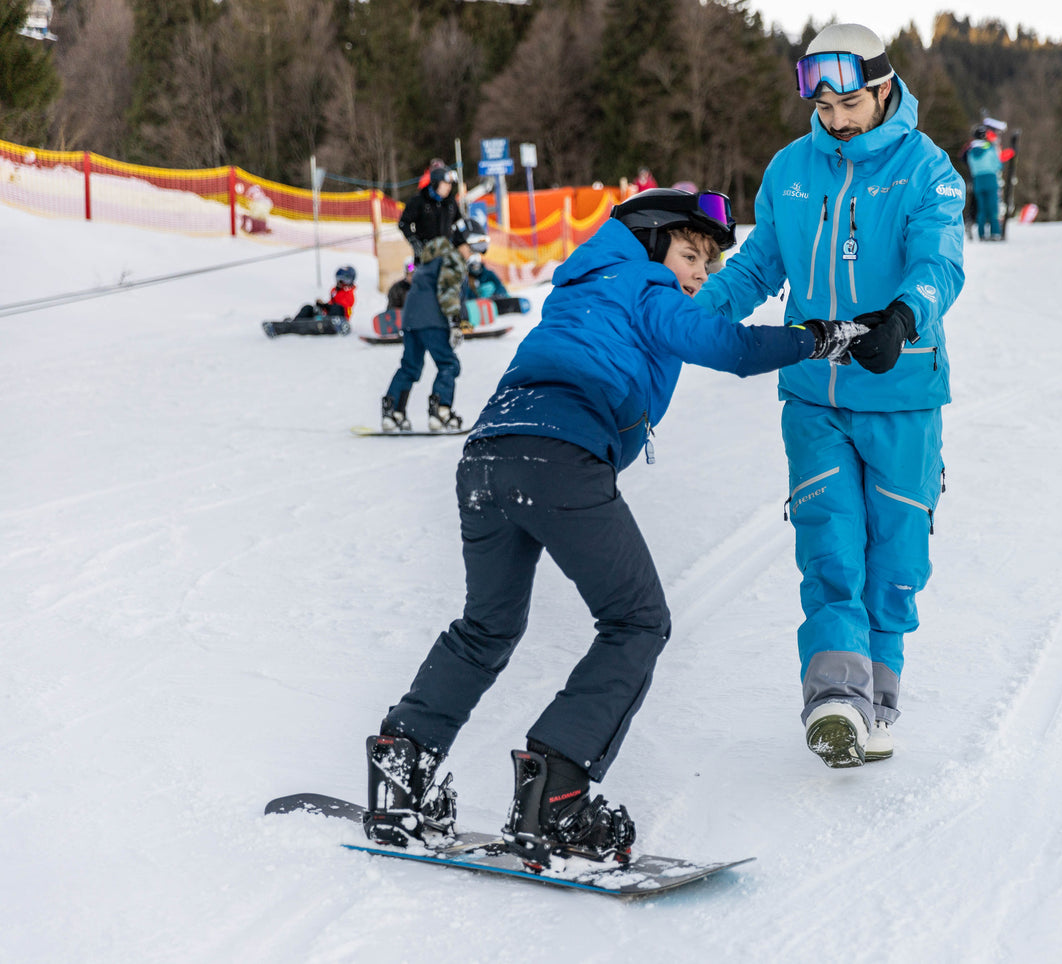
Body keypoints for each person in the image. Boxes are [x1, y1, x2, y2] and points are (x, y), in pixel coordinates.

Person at [362, 189, 867, 864]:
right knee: (637, 621)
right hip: (560, 458)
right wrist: (819, 338)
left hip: (485, 459)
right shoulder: (646, 285)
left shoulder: (578, 283)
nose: (697, 275)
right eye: (691, 255)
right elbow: (728, 346)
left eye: (707, 265)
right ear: (653, 238)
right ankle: (557, 797)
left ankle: (402, 771)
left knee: (486, 625)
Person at [691, 23, 966, 769]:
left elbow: (938, 261)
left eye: (849, 102)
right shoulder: (789, 169)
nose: (836, 119)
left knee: (896, 560)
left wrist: (903, 317)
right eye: (824, 105)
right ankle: (835, 699)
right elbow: (755, 269)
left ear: (882, 88)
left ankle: (876, 700)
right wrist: (688, 319)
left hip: (902, 388)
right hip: (813, 392)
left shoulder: (927, 168)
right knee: (829, 548)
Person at [380, 218, 485, 432]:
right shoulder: (453, 259)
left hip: (411, 319)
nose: (471, 255)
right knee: (449, 364)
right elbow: (448, 291)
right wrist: (455, 322)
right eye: (471, 249)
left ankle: (393, 412)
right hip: (432, 320)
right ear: (461, 243)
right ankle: (441, 411)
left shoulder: (432, 257)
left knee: (410, 366)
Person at [261, 266, 357, 337]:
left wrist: (325, 306)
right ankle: (294, 323)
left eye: (345, 280)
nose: (341, 282)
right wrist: (322, 305)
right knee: (308, 307)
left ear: (351, 281)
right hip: (326, 315)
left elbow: (342, 308)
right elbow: (330, 305)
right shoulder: (335, 290)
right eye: (339, 279)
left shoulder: (350, 294)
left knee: (337, 307)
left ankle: (335, 323)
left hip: (339, 317)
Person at [399, 161, 464, 257]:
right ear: (436, 183)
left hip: (447, 253)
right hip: (426, 254)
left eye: (450, 184)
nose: (449, 187)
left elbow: (459, 221)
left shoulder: (450, 202)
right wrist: (414, 242)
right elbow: (404, 223)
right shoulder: (419, 200)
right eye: (445, 183)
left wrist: (459, 240)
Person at [964, 125, 1013, 241]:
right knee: (993, 208)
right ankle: (995, 232)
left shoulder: (971, 151)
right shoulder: (990, 149)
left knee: (981, 209)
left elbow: (970, 165)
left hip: (977, 180)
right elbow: (998, 164)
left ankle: (981, 234)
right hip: (990, 178)